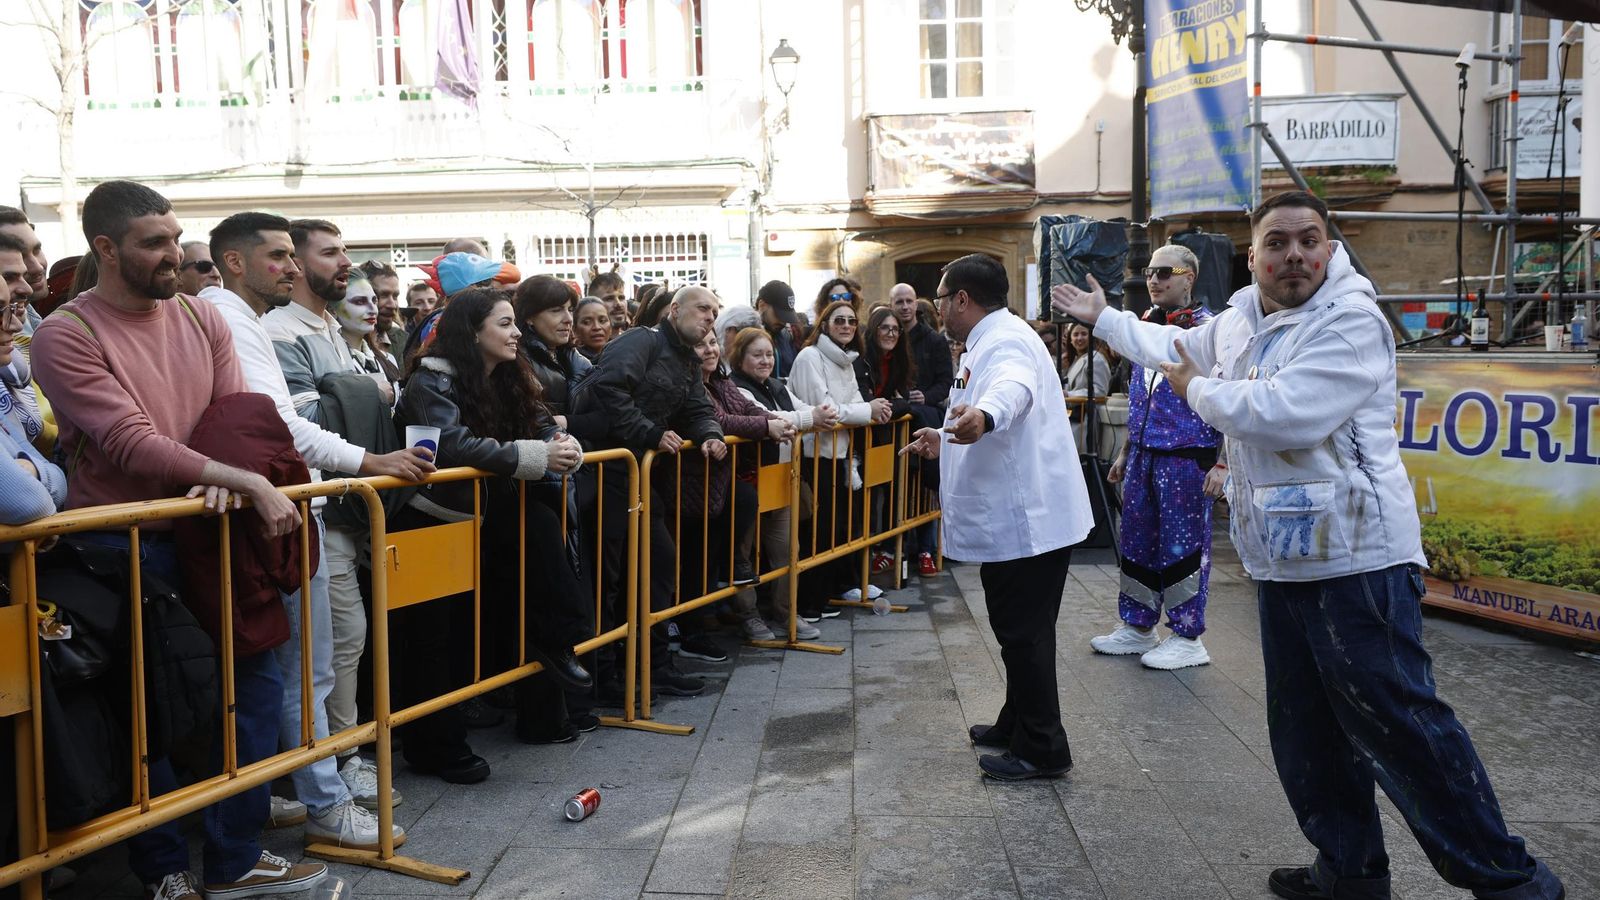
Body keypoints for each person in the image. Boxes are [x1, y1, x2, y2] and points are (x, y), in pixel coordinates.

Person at [1052, 190, 1565, 900]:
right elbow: (1173, 347)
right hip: (1283, 560)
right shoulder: (1240, 318)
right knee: (1307, 733)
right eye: (1277, 243)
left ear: (1328, 249)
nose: (1294, 254)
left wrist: (1197, 391)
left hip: (1360, 563)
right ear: (1253, 256)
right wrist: (1105, 318)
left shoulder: (1350, 322)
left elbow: (1282, 415)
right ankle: (1348, 871)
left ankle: (1510, 882)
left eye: (1309, 240)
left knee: (1403, 731)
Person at [31, 179, 324, 900]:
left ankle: (233, 858)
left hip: (214, 533)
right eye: (153, 244)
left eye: (173, 238)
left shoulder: (201, 318)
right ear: (106, 248)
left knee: (253, 694)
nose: (173, 255)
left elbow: (237, 414)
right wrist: (242, 480)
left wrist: (230, 476)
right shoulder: (66, 333)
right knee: (149, 714)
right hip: (122, 549)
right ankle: (164, 870)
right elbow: (130, 442)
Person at [203, 211, 429, 847]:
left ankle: (294, 787)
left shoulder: (251, 318)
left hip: (303, 507)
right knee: (306, 671)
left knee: (305, 669)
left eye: (292, 257)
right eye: (279, 256)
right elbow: (285, 423)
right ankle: (325, 802)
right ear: (235, 262)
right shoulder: (233, 316)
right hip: (287, 511)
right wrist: (369, 459)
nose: (293, 268)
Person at [900, 254, 1091, 782]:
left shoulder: (1004, 343)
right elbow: (975, 405)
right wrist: (942, 436)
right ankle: (1016, 722)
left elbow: (1011, 390)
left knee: (1023, 634)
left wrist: (986, 416)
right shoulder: (990, 338)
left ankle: (1043, 748)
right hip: (1020, 519)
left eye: (939, 299)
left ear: (962, 298)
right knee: (1020, 631)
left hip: (1025, 522)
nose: (936, 309)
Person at [393, 289, 589, 773]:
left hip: (483, 514)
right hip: (430, 519)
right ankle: (435, 747)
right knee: (432, 639)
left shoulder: (508, 375)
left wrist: (561, 445)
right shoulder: (429, 381)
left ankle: (559, 648)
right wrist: (533, 455)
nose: (516, 332)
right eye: (505, 324)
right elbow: (451, 446)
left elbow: (541, 424)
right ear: (472, 331)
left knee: (535, 541)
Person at [570, 285, 729, 699]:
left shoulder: (687, 360)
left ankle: (653, 663)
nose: (710, 317)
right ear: (674, 310)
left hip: (641, 479)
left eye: (715, 311)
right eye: (702, 309)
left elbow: (698, 407)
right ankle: (602, 675)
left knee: (658, 566)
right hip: (604, 473)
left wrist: (711, 434)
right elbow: (609, 389)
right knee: (607, 579)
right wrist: (651, 433)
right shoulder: (643, 340)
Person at [1089, 243, 1223, 671]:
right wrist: (1127, 450)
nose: (1154, 279)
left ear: (1189, 277)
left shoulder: (1211, 331)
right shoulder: (1145, 327)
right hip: (1145, 454)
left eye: (1165, 271)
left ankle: (1187, 635)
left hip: (1186, 456)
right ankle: (1138, 625)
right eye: (1150, 271)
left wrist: (1225, 463)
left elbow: (1231, 399)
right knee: (1137, 541)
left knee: (1183, 546)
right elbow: (1140, 398)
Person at [684, 327, 794, 642]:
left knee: (717, 542)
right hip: (696, 479)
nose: (709, 350)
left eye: (712, 343)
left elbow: (746, 409)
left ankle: (710, 609)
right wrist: (766, 426)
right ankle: (694, 626)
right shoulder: (690, 385)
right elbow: (721, 420)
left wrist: (773, 419)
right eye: (699, 344)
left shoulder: (720, 381)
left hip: (720, 478)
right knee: (696, 556)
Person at [788, 299, 892, 621]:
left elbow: (857, 402)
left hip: (841, 453)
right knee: (816, 529)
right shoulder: (810, 356)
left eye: (850, 321)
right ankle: (809, 600)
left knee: (835, 527)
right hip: (813, 453)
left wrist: (873, 409)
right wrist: (869, 411)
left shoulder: (847, 360)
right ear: (825, 324)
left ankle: (829, 589)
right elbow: (827, 409)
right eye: (839, 321)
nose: (846, 326)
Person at [727, 326, 833, 641]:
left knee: (788, 549)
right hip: (749, 477)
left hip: (780, 476)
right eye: (756, 355)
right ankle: (748, 615)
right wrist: (809, 417)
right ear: (740, 357)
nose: (765, 361)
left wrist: (818, 413)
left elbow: (801, 409)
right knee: (742, 552)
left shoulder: (776, 384)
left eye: (769, 354)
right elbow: (771, 418)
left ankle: (786, 612)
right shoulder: (736, 387)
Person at [860, 305, 915, 576]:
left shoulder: (898, 359)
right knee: (867, 497)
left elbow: (903, 400)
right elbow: (865, 399)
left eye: (895, 329)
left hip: (884, 435)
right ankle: (865, 553)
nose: (891, 333)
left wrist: (890, 407)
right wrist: (886, 405)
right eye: (885, 327)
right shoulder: (863, 358)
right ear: (874, 329)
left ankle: (883, 549)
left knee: (885, 491)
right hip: (862, 438)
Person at [755, 280, 803, 378]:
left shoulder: (786, 336)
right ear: (762, 305)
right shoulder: (746, 338)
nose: (783, 322)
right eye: (779, 315)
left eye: (786, 317)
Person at [588, 269, 631, 335]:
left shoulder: (636, 341)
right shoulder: (585, 344)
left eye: (621, 298)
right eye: (609, 299)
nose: (618, 304)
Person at [573, 296, 611, 362]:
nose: (596, 327)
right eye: (587, 322)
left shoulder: (621, 355)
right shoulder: (571, 363)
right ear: (575, 330)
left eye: (602, 321)